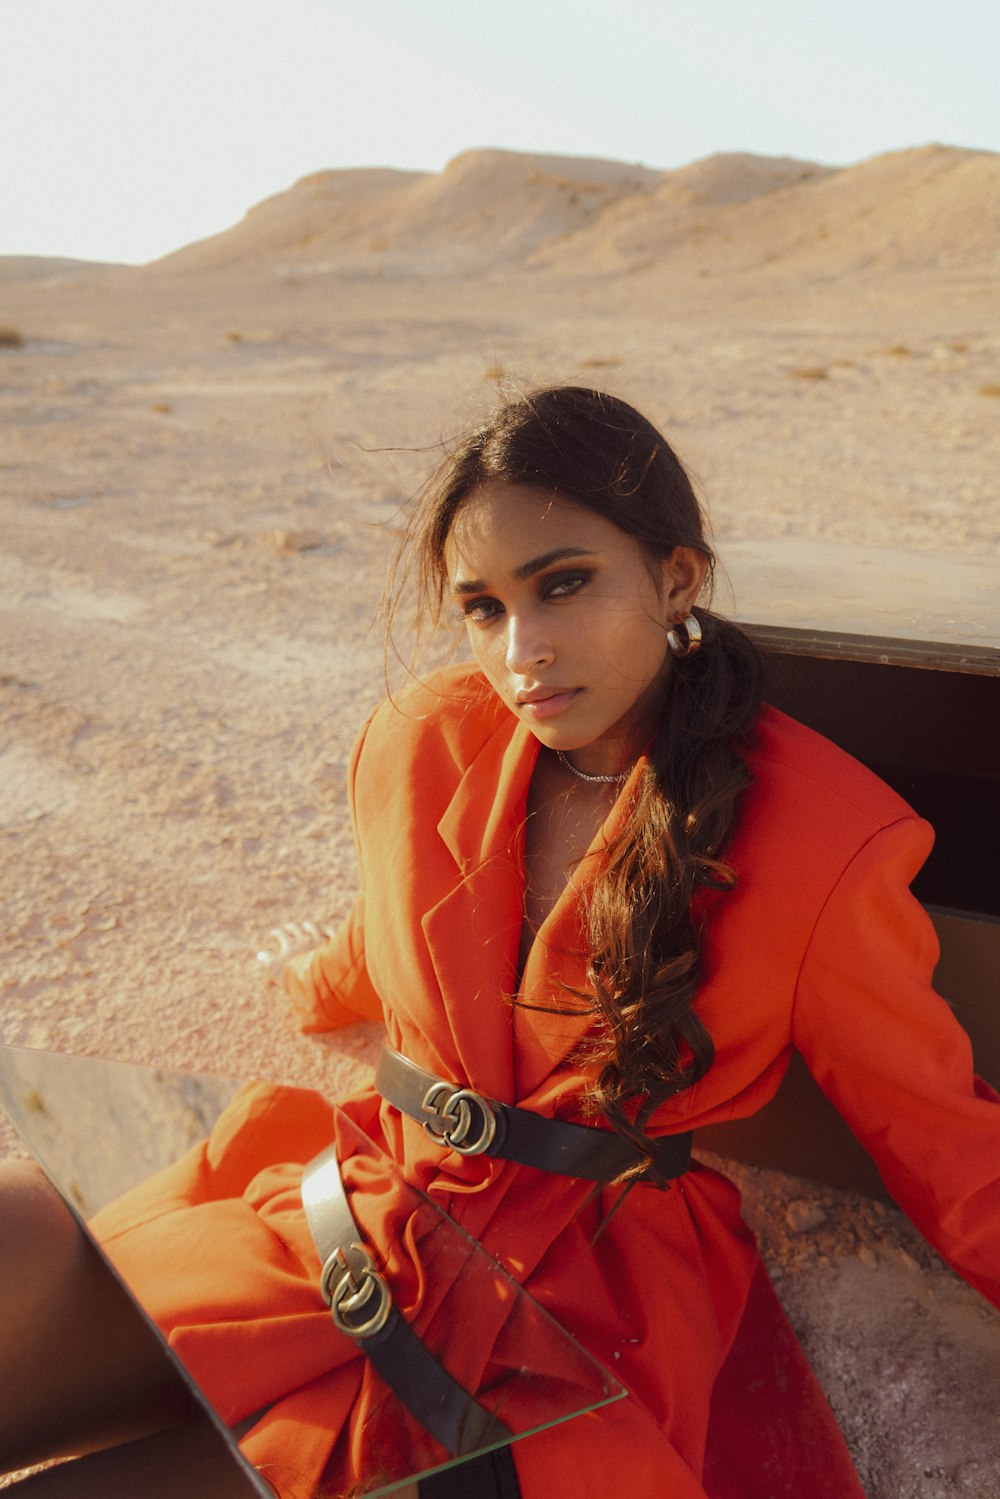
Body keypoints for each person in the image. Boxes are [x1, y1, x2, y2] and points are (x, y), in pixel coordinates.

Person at [1, 385, 998, 1498]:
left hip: (566, 1304)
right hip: (357, 1197)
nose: (522, 649)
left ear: (675, 577)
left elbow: (946, 1148)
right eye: (482, 605)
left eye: (563, 584)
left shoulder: (827, 840)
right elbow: (381, 945)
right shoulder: (418, 736)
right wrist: (303, 974)